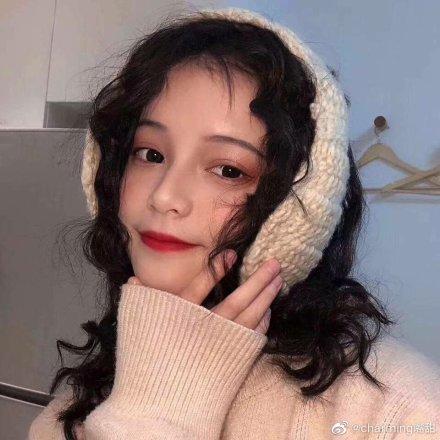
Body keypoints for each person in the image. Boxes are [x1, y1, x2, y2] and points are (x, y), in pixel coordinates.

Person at [28, 6, 440, 440]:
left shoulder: (404, 412)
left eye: (228, 170)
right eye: (150, 154)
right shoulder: (73, 408)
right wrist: (150, 408)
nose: (164, 196)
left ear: (297, 207)